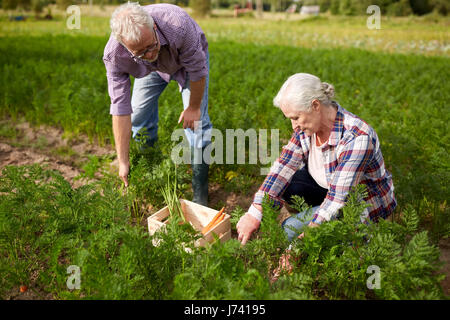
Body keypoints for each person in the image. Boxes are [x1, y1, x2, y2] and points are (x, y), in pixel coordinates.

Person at [237, 73, 397, 245]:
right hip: (330, 190)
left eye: (296, 118)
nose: (294, 126)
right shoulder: (305, 129)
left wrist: (303, 243)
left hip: (359, 205)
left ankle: (345, 236)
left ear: (315, 105)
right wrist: (254, 213)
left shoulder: (356, 138)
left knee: (288, 229)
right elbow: (284, 165)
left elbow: (338, 200)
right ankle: (320, 220)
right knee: (289, 183)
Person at [103, 2, 212, 205]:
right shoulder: (114, 55)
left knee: (198, 125)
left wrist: (193, 108)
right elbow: (120, 108)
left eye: (151, 46)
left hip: (185, 62)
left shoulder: (178, 24)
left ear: (153, 27)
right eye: (140, 51)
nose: (150, 54)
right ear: (124, 45)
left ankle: (200, 193)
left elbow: (197, 71)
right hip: (148, 71)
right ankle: (152, 170)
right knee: (138, 117)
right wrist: (123, 161)